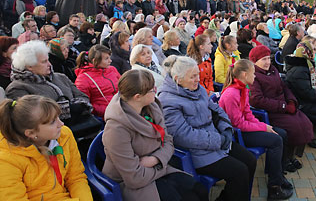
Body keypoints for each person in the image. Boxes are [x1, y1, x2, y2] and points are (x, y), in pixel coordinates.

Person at [159, 54, 256, 201]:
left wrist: (225, 129)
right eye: (193, 77)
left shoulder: (197, 89)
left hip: (215, 140)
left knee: (250, 160)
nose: (198, 79)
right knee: (240, 171)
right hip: (196, 152)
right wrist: (219, 139)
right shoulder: (168, 101)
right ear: (178, 79)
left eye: (198, 74)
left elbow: (217, 110)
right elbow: (183, 135)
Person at [103, 67, 200, 201]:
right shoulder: (116, 129)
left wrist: (154, 160)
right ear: (137, 97)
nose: (156, 91)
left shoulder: (152, 107)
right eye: (152, 90)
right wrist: (162, 164)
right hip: (133, 183)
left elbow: (168, 141)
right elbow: (134, 178)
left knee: (197, 190)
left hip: (154, 168)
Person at [219, 59, 293, 201]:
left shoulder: (243, 89)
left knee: (282, 133)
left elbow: (247, 114)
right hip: (236, 134)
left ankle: (278, 175)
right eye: (253, 74)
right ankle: (274, 188)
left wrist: (263, 126)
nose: (255, 76)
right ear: (245, 74)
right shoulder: (231, 94)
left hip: (244, 129)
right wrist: (264, 127)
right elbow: (238, 124)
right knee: (276, 140)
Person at [0, 94, 94, 201]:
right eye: (53, 121)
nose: (61, 124)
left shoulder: (64, 135)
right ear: (31, 133)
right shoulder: (6, 159)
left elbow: (76, 177)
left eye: (58, 117)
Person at [249, 44, 313, 166]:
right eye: (264, 59)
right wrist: (283, 106)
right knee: (293, 127)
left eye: (268, 58)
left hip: (283, 107)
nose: (267, 62)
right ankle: (284, 160)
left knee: (305, 122)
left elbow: (284, 87)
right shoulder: (254, 76)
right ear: (255, 61)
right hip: (271, 111)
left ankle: (291, 155)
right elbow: (257, 100)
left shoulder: (273, 70)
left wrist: (291, 101)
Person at [75, 44, 120, 116]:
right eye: (106, 59)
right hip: (104, 114)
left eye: (109, 57)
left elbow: (122, 87)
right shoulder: (83, 78)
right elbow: (85, 104)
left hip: (120, 108)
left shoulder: (112, 69)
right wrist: (106, 110)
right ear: (95, 61)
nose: (110, 61)